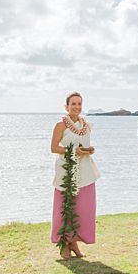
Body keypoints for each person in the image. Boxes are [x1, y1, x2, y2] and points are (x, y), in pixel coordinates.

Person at [50, 92, 99, 260]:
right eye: (73, 104)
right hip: (66, 169)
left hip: (85, 170)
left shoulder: (85, 124)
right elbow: (54, 148)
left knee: (82, 209)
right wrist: (72, 151)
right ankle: (64, 244)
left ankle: (74, 242)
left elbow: (83, 145)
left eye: (79, 104)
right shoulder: (60, 125)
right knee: (65, 208)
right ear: (66, 106)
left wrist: (88, 150)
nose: (77, 107)